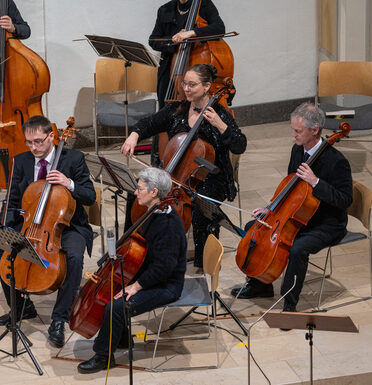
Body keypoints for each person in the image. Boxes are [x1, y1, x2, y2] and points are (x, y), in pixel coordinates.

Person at [121, 63, 247, 269]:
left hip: (211, 177)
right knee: (137, 191)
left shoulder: (220, 114)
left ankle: (202, 262)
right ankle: (133, 246)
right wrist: (134, 135)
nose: (186, 89)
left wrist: (220, 125)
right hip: (175, 173)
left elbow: (240, 145)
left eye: (192, 85)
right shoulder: (176, 109)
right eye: (184, 84)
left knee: (200, 205)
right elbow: (148, 123)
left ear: (207, 87)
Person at [231, 103, 353, 313]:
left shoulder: (336, 162)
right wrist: (271, 208)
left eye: (298, 131)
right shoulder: (298, 150)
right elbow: (290, 187)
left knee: (298, 249)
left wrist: (316, 182)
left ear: (314, 130)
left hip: (327, 224)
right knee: (255, 225)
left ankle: (289, 304)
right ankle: (261, 284)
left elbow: (345, 200)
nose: (293, 135)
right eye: (293, 130)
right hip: (298, 217)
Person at [78, 167, 187, 374]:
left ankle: (103, 356)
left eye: (139, 188)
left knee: (117, 306)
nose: (135, 192)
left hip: (167, 285)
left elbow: (164, 268)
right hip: (152, 276)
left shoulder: (168, 225)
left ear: (154, 192)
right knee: (113, 291)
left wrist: (135, 286)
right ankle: (122, 338)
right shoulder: (154, 212)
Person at [0, 115, 96, 348]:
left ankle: (59, 318)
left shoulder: (73, 159)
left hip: (67, 224)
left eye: (39, 142)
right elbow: (13, 201)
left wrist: (68, 183)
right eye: (29, 142)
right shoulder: (21, 161)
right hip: (31, 223)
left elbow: (90, 196)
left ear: (51, 136)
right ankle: (23, 308)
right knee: (2, 251)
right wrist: (5, 228)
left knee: (72, 258)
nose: (33, 147)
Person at [148, 0, 225, 165]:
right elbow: (153, 40)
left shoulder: (203, 5)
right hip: (170, 70)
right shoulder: (165, 10)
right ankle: (160, 160)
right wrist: (173, 41)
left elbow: (219, 28)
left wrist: (191, 33)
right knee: (165, 112)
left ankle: (197, 155)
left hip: (193, 67)